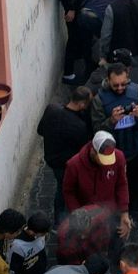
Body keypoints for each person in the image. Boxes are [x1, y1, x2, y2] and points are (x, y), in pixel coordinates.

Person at [40, 89, 97, 217]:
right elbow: (83, 150)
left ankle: (59, 217)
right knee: (64, 189)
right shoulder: (79, 126)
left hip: (50, 157)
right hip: (65, 164)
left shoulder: (51, 109)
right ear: (82, 104)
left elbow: (40, 130)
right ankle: (61, 218)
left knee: (61, 187)